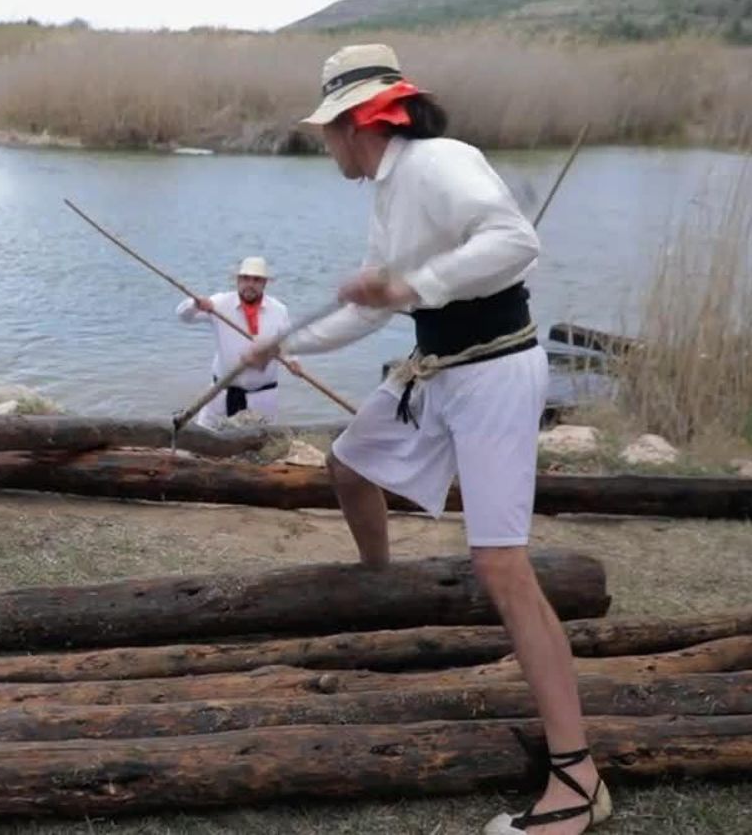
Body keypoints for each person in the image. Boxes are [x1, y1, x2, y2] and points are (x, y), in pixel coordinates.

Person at [254, 44, 610, 834]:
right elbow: (374, 306)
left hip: (492, 377)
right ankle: (381, 590)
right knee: (348, 467)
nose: (324, 147)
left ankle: (577, 780)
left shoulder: (439, 163)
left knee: (501, 565)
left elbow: (516, 244)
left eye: (326, 132)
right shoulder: (388, 188)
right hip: (435, 371)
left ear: (356, 125)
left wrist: (412, 285)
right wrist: (283, 346)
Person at [177, 256, 303, 428]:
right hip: (221, 392)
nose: (250, 284)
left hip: (262, 396)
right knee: (205, 439)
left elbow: (287, 344)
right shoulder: (220, 303)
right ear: (237, 280)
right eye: (245, 278)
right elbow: (184, 317)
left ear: (264, 283)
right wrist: (195, 304)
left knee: (262, 447)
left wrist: (292, 361)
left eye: (256, 280)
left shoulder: (278, 310)